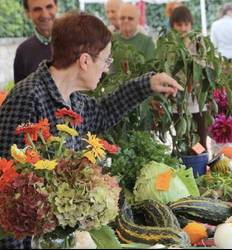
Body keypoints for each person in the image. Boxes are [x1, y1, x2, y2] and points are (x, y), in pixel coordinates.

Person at [0, 12, 182, 249]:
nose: (106, 69)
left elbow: (103, 114)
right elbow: (8, 188)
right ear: (85, 61)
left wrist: (147, 84)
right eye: (106, 61)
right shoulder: (28, 97)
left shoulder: (74, 99)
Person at [169, 5, 208, 150]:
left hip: (197, 100)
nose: (183, 28)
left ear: (191, 24)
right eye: (179, 25)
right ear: (173, 26)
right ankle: (187, 165)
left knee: (200, 139)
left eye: (186, 24)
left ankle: (201, 166)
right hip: (178, 101)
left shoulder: (198, 41)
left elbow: (204, 64)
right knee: (183, 140)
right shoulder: (170, 44)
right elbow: (168, 69)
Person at [13, 0, 58, 84]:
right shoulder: (23, 51)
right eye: (37, 9)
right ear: (28, 13)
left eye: (49, 7)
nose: (45, 14)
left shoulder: (76, 42)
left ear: (56, 7)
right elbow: (20, 94)